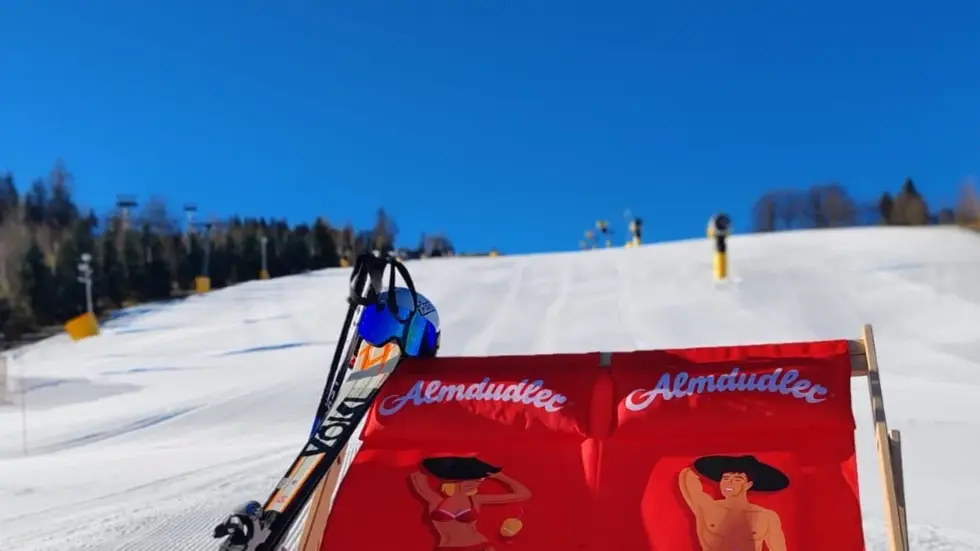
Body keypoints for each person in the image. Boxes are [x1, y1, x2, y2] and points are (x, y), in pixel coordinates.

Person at [409, 456, 531, 551]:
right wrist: (447, 467)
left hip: (479, 547)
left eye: (478, 481)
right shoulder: (434, 499)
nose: (474, 485)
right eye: (469, 482)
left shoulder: (475, 500)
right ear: (455, 480)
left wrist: (500, 477)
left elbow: (523, 494)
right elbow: (417, 477)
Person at [679, 455, 789, 551]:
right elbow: (687, 477)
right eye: (725, 478)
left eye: (737, 479)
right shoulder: (707, 508)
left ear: (748, 485)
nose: (729, 483)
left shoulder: (767, 517)